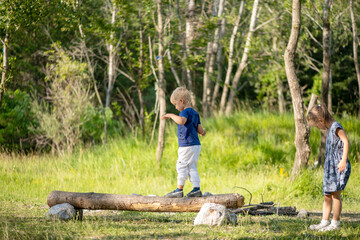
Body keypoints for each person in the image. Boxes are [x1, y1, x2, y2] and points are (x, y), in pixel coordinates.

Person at [307, 104, 351, 231]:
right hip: (329, 167)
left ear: (321, 120)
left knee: (335, 194)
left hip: (338, 166)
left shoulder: (336, 126)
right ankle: (324, 221)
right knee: (327, 195)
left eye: (317, 126)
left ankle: (335, 223)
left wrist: (343, 160)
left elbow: (346, 141)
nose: (318, 128)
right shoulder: (330, 128)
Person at [162, 87, 206, 198]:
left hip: (187, 145)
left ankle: (179, 190)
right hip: (196, 145)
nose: (176, 108)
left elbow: (181, 121)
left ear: (181, 101)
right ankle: (196, 189)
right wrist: (203, 132)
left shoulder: (185, 112)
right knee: (192, 166)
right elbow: (200, 130)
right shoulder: (195, 114)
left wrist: (171, 115)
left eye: (175, 104)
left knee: (181, 165)